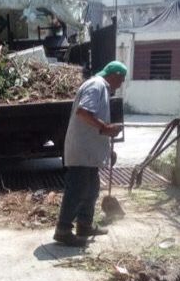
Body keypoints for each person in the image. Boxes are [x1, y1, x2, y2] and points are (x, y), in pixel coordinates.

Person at [53, 61, 126, 246]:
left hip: (89, 152)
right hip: (82, 150)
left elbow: (93, 120)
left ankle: (84, 225)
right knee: (77, 189)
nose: (121, 83)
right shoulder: (97, 85)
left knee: (92, 189)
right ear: (115, 75)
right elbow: (83, 112)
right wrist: (106, 127)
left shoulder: (101, 87)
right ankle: (63, 229)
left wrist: (108, 150)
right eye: (122, 79)